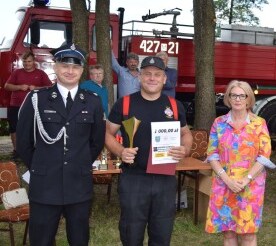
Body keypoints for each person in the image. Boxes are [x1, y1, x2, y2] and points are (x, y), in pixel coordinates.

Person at [16, 42, 106, 246]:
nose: (70, 71)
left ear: (82, 71)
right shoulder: (37, 99)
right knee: (41, 240)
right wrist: (41, 167)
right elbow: (23, 143)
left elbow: (96, 142)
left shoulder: (92, 101)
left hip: (78, 184)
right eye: (65, 66)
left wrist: (79, 164)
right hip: (45, 185)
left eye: (75, 67)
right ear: (55, 68)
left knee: (79, 239)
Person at [105, 56, 193, 246]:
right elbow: (108, 135)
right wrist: (121, 151)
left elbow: (186, 135)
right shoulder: (125, 104)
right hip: (134, 179)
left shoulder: (174, 106)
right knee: (131, 235)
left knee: (161, 235)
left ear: (164, 79)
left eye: (157, 74)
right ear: (139, 77)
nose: (152, 78)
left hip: (165, 180)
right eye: (147, 74)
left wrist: (184, 149)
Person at [205, 80, 275, 246]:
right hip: (224, 184)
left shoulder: (259, 124)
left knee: (248, 234)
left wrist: (246, 179)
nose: (237, 99)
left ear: (248, 99)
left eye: (241, 95)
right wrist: (227, 180)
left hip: (250, 186)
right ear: (228, 98)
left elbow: (264, 156)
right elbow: (212, 154)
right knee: (228, 233)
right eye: (233, 95)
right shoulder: (219, 123)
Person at [4, 51, 52, 158]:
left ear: (34, 61)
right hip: (16, 104)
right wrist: (19, 87)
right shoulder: (17, 73)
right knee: (14, 128)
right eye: (24, 61)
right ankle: (17, 151)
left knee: (33, 128)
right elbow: (7, 86)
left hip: (34, 106)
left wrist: (37, 88)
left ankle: (33, 149)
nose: (27, 64)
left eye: (29, 61)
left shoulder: (41, 73)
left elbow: (50, 87)